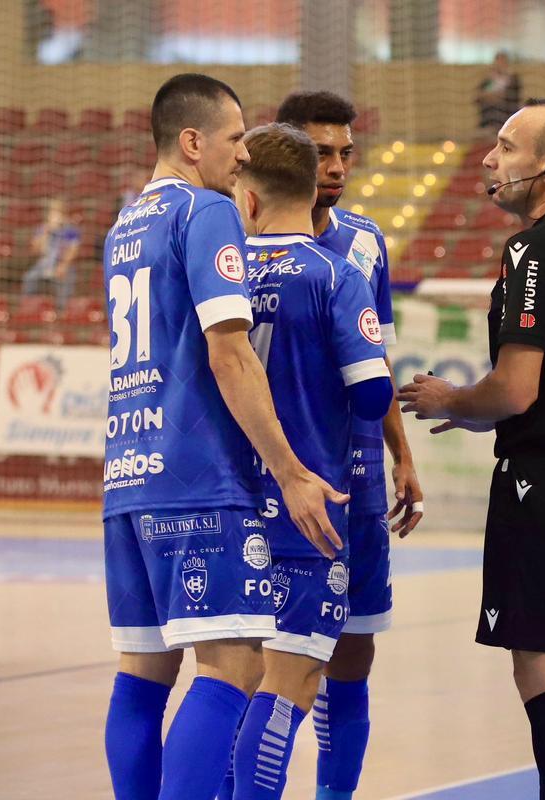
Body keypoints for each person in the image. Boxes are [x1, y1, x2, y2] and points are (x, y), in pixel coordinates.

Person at [100, 74, 347, 800]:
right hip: (198, 476)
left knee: (143, 672)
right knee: (235, 667)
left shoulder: (124, 224)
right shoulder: (205, 211)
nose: (244, 155)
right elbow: (229, 351)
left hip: (127, 478)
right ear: (192, 141)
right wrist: (291, 470)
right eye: (236, 138)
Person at [398, 99, 545, 799]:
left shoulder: (534, 248)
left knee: (543, 671)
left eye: (505, 147)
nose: (489, 160)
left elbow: (515, 390)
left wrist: (453, 402)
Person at [227, 122, 393, 800]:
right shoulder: (333, 272)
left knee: (230, 679)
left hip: (229, 504)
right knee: (291, 681)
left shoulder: (223, 269)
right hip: (307, 503)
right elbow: (375, 390)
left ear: (250, 199)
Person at [275, 90, 425, 800]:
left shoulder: (364, 240)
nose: (334, 166)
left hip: (359, 479)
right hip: (277, 483)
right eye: (318, 152)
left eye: (343, 153)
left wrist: (403, 455)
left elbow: (379, 363)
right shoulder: (242, 238)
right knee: (266, 661)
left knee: (354, 652)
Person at [22, 198, 81, 310]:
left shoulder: (71, 230)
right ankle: (28, 307)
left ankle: (62, 310)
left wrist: (63, 266)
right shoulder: (43, 229)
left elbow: (73, 251)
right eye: (53, 213)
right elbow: (35, 250)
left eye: (59, 213)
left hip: (62, 264)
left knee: (66, 279)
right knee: (29, 277)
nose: (56, 216)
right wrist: (46, 231)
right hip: (44, 264)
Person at [476, 51, 521, 137]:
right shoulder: (489, 80)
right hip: (488, 118)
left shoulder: (513, 79)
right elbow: (478, 96)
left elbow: (510, 96)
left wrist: (492, 95)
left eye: (502, 61)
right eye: (498, 61)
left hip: (505, 115)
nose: (500, 64)